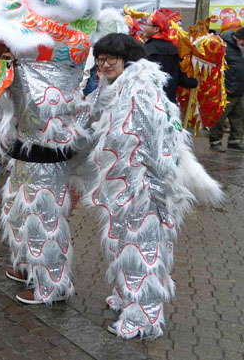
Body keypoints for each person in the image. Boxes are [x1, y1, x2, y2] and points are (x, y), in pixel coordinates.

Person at [85, 33, 222, 339]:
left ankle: (144, 320)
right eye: (101, 59)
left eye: (111, 59)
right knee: (125, 245)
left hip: (145, 188)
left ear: (128, 60)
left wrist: (151, 192)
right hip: (123, 185)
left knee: (143, 249)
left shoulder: (140, 90)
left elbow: (153, 144)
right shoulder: (113, 87)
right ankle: (126, 297)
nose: (104, 64)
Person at [143, 11, 198, 103]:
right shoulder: (175, 50)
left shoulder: (145, 50)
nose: (144, 27)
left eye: (146, 24)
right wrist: (196, 81)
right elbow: (183, 80)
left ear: (156, 29)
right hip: (169, 104)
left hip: (150, 103)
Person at [209, 27, 244, 152]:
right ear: (239, 39)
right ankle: (215, 140)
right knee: (220, 116)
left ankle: (235, 140)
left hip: (240, 89)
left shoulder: (240, 48)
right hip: (226, 89)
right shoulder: (223, 46)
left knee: (239, 116)